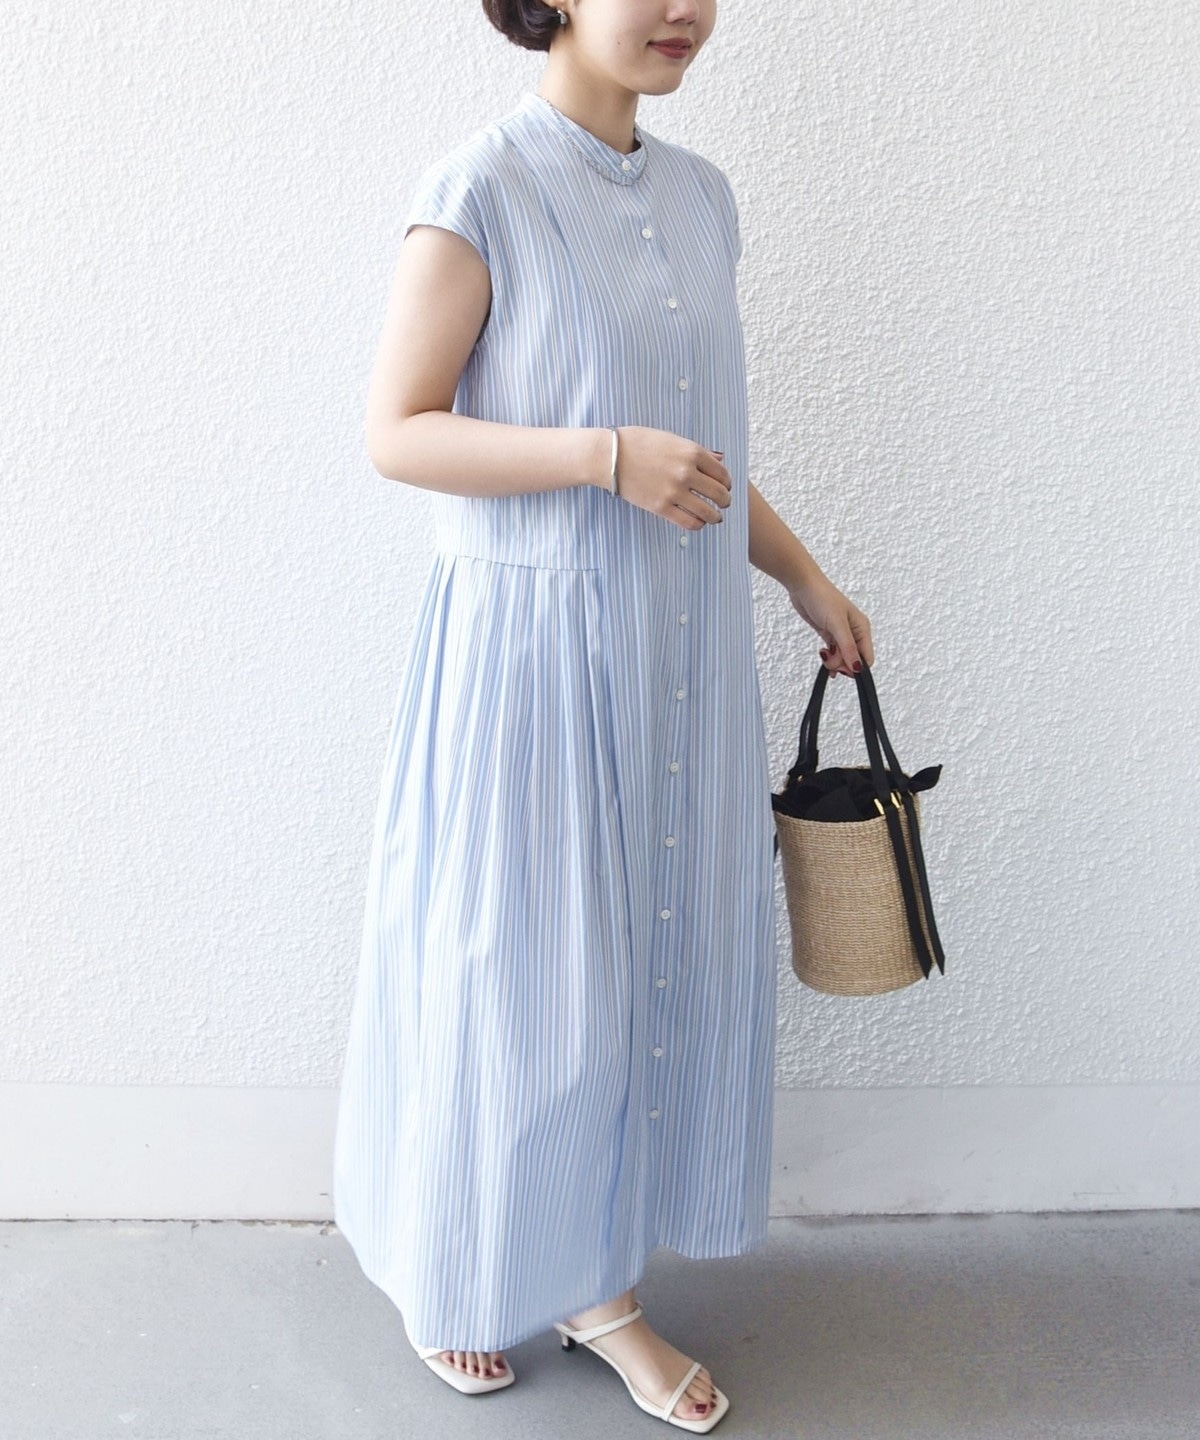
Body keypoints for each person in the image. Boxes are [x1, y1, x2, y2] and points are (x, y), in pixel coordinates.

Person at [332, 0, 873, 1431]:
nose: (684, 8)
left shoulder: (702, 199)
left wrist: (804, 577)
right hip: (530, 655)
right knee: (521, 982)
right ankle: (474, 1270)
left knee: (646, 964)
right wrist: (599, 455)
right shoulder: (480, 189)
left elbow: (703, 449)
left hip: (676, 650)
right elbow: (397, 430)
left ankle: (586, 1276)